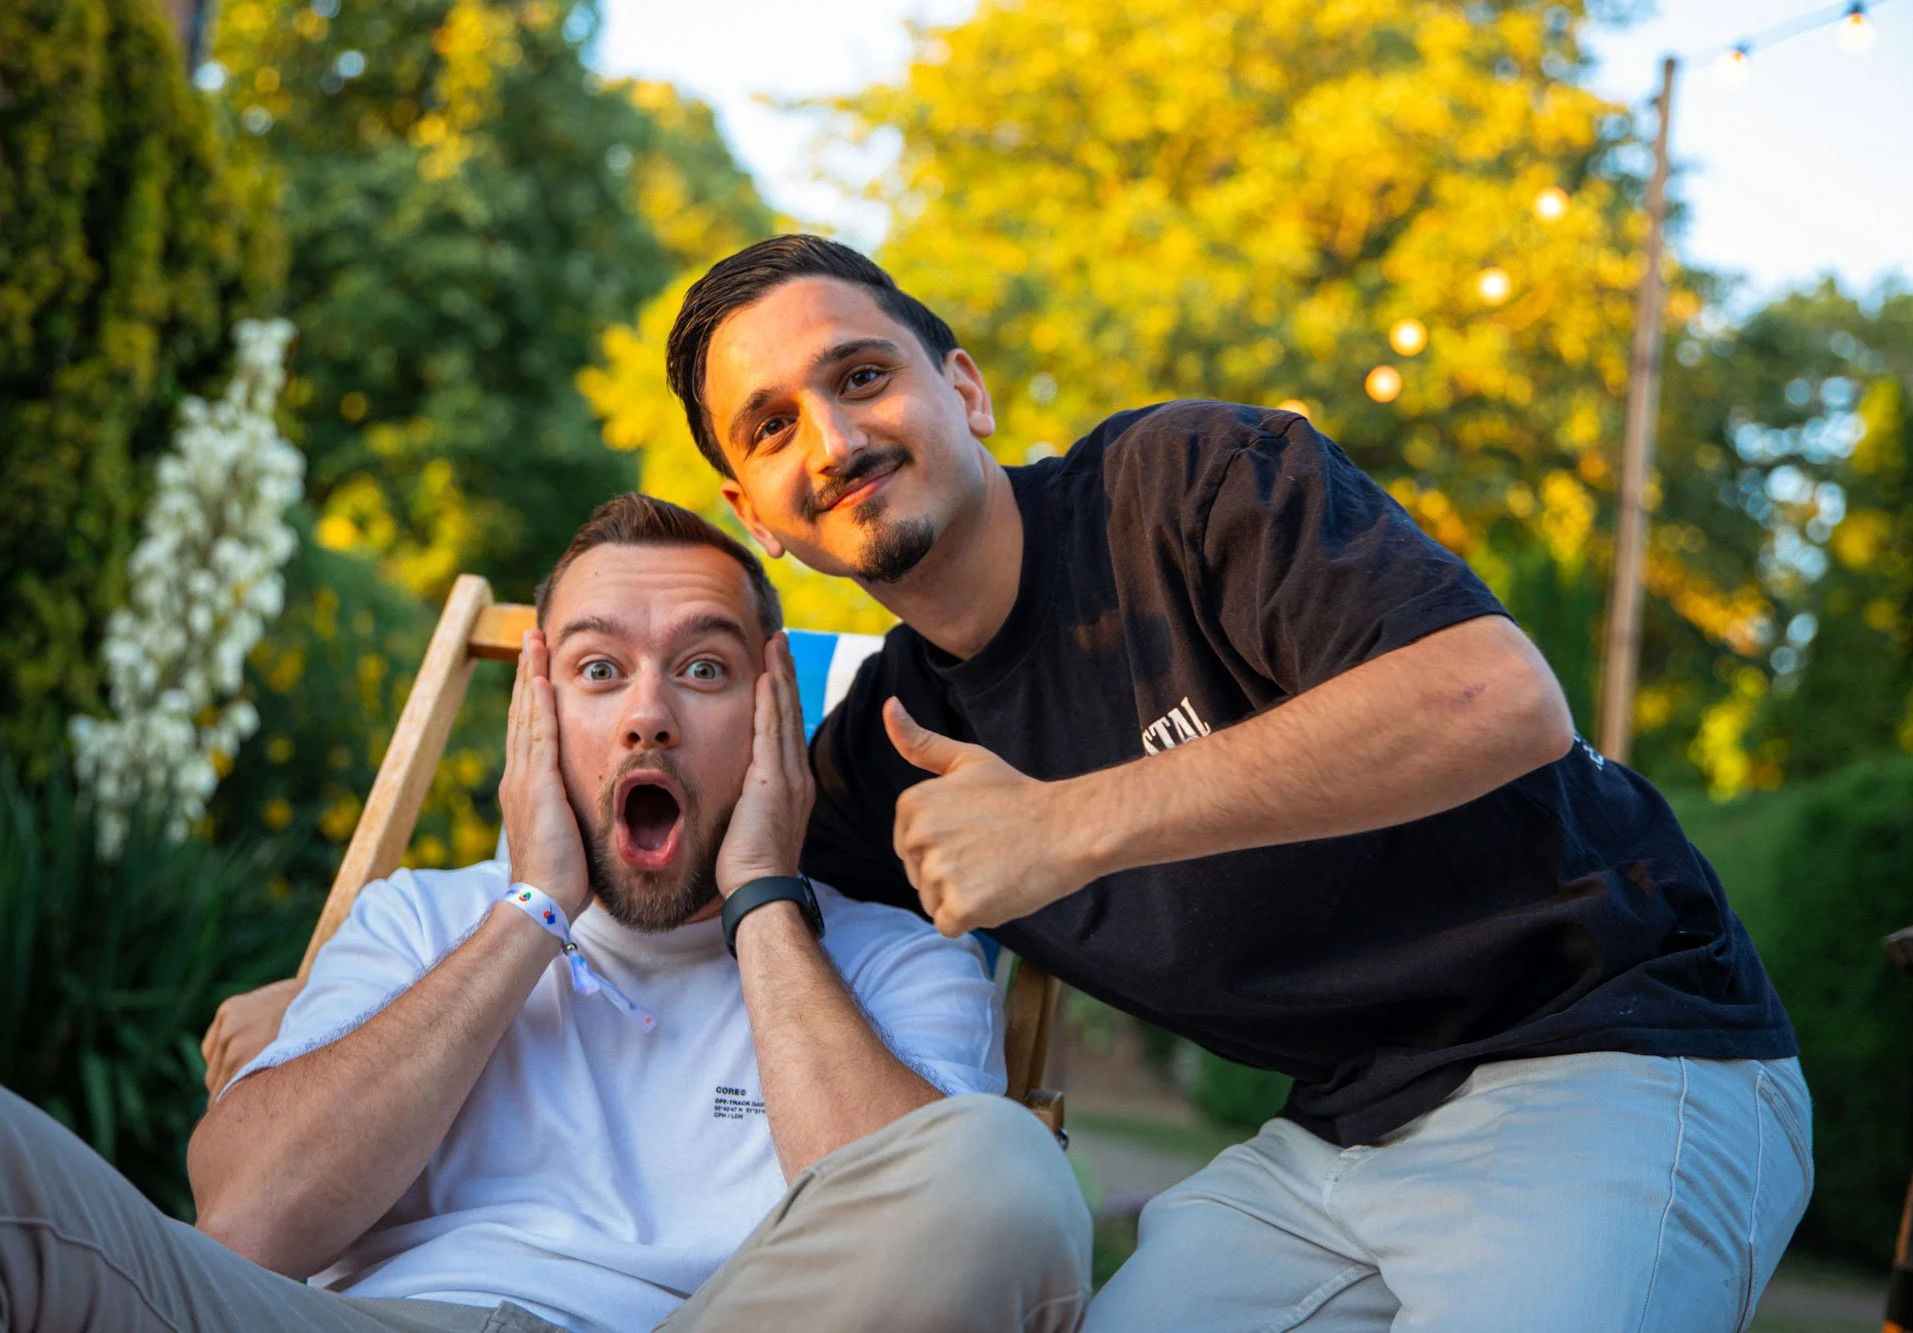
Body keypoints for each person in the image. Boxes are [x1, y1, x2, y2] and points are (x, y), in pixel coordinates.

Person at [664, 234, 1812, 1331]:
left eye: (861, 376)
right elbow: (672, 885)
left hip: (1613, 1044)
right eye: (771, 427)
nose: (833, 439)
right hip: (1332, 1133)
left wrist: (1066, 823)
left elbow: (1497, 700)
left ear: (965, 391)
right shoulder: (887, 747)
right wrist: (719, 864)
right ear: (755, 516)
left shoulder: (1183, 485)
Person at [0, 494, 1091, 1333]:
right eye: (598, 671)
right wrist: (529, 910)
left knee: (999, 1165)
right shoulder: (417, 920)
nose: (647, 715)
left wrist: (761, 901)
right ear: (535, 714)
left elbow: (949, 1221)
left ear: (770, 710)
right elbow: (246, 1222)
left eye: (702, 670)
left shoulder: (895, 960)